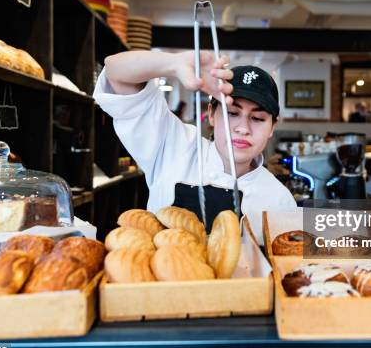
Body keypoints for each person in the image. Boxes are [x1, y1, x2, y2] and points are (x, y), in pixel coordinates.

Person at [93, 50, 296, 243]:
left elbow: (287, 270)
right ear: (211, 114)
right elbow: (114, 71)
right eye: (232, 113)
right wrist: (173, 63)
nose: (243, 128)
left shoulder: (279, 200)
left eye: (258, 118)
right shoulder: (175, 146)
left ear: (272, 127)